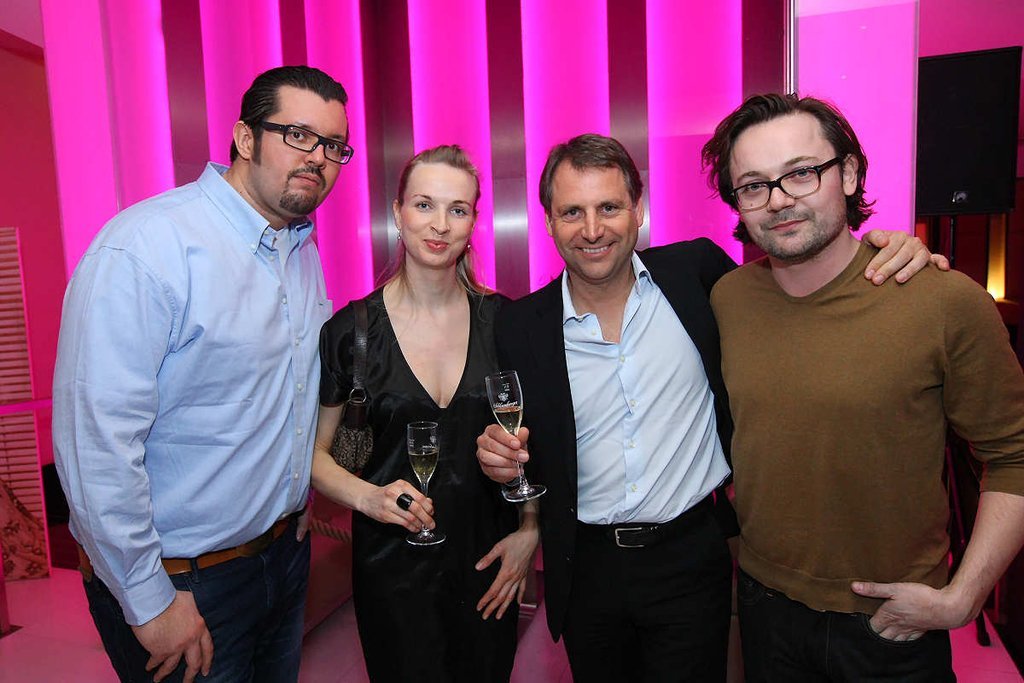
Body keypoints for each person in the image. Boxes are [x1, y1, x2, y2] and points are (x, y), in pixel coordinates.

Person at [475, 133, 940, 681]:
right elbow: (523, 444)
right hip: (585, 568)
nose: (593, 229)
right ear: (549, 223)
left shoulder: (696, 275)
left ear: (638, 210)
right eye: (572, 212)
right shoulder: (519, 326)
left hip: (690, 556)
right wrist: (504, 466)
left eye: (609, 207)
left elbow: (800, 289)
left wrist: (884, 251)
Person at [702, 93, 1024, 682]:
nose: (779, 200)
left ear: (848, 173)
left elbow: (1015, 457)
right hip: (764, 606)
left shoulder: (942, 301)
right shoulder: (729, 299)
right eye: (753, 186)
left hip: (890, 625)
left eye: (801, 173)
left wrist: (963, 598)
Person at [52, 65, 351, 683]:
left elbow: (285, 396)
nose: (317, 157)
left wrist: (296, 496)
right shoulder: (146, 249)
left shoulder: (299, 249)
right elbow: (95, 445)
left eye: (333, 145)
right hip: (183, 583)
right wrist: (149, 599)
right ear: (245, 138)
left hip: (282, 557)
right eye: (298, 135)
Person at [313, 144, 539, 682]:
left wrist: (531, 530)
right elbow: (315, 457)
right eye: (424, 205)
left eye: (457, 209)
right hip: (391, 568)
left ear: (473, 222)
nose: (440, 225)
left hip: (488, 561)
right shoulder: (352, 334)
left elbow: (533, 443)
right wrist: (369, 497)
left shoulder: (506, 323)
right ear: (397, 213)